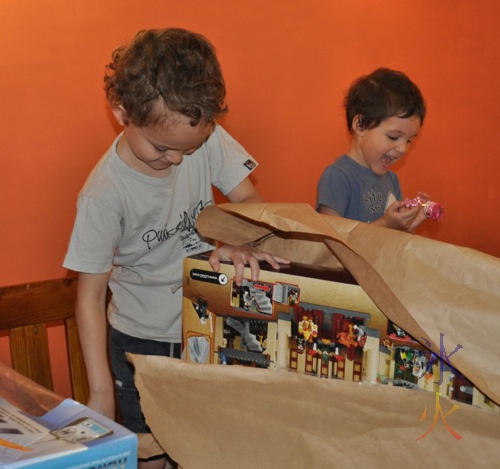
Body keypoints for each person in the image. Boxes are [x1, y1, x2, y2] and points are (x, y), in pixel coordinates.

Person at [63, 28, 287, 469]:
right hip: (140, 342)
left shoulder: (202, 137)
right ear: (122, 112)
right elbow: (88, 299)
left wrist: (240, 239)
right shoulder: (104, 194)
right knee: (152, 454)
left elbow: (251, 204)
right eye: (163, 148)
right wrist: (101, 391)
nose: (180, 160)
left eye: (193, 147)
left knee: (204, 444)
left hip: (205, 323)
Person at [316, 68, 430, 233]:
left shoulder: (392, 180)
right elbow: (330, 241)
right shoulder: (338, 177)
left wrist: (407, 226)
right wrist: (384, 224)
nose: (403, 149)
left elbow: (390, 240)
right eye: (393, 137)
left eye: (409, 140)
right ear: (360, 125)